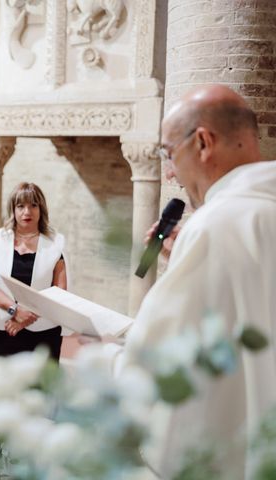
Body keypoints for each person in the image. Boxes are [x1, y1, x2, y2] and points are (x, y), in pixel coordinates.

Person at [110, 85, 276, 479]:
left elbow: (156, 365)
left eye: (168, 154)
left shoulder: (216, 225)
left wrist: (107, 360)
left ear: (202, 142)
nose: (169, 171)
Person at [0, 182, 68, 359]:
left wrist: (28, 317)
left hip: (43, 330)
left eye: (33, 205)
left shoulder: (56, 242)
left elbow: (59, 290)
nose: (27, 212)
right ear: (13, 209)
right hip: (2, 326)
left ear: (41, 209)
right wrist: (14, 310)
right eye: (20, 206)